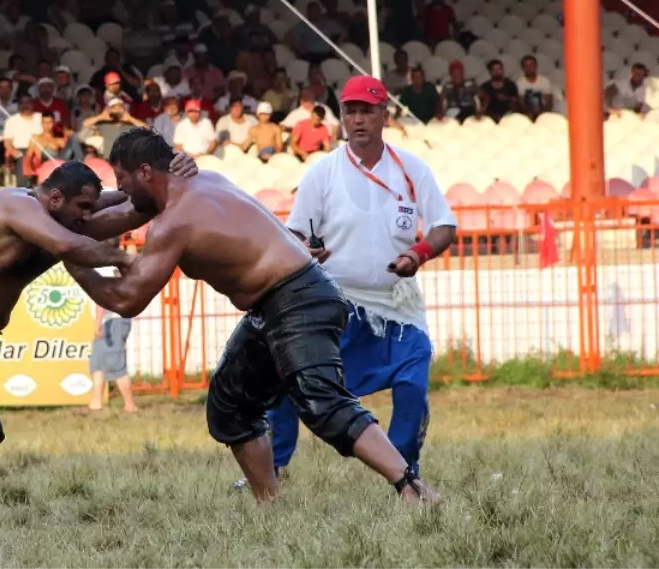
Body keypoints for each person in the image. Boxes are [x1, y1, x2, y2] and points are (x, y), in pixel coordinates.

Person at [62, 128, 441, 505]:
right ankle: (270, 505)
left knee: (320, 401)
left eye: (122, 178)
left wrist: (72, 261)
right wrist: (56, 219)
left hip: (298, 299)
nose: (120, 188)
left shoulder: (173, 223)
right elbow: (117, 213)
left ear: (146, 172)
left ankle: (411, 487)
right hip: (283, 299)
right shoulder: (204, 180)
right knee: (231, 404)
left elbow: (127, 300)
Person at [0, 155, 199, 526]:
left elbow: (124, 208)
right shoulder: (14, 204)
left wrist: (168, 181)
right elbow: (68, 246)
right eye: (82, 208)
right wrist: (127, 261)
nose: (86, 217)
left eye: (89, 209)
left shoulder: (63, 216)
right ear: (56, 197)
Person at [251, 76, 457, 487]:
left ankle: (405, 474)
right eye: (350, 111)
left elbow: (444, 225)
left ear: (385, 115)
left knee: (413, 386)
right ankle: (270, 468)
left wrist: (417, 254)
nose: (358, 119)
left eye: (367, 110)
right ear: (342, 116)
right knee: (286, 376)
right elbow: (295, 234)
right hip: (335, 303)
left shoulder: (413, 169)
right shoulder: (321, 173)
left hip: (398, 302)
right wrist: (304, 251)